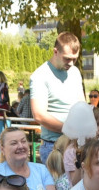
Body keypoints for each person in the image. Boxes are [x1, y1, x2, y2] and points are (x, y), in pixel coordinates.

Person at [31, 33, 84, 162]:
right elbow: (39, 115)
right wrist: (68, 129)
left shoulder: (75, 72)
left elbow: (82, 106)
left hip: (77, 144)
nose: (71, 63)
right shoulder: (40, 75)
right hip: (53, 147)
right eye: (67, 58)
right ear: (55, 51)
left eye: (74, 59)